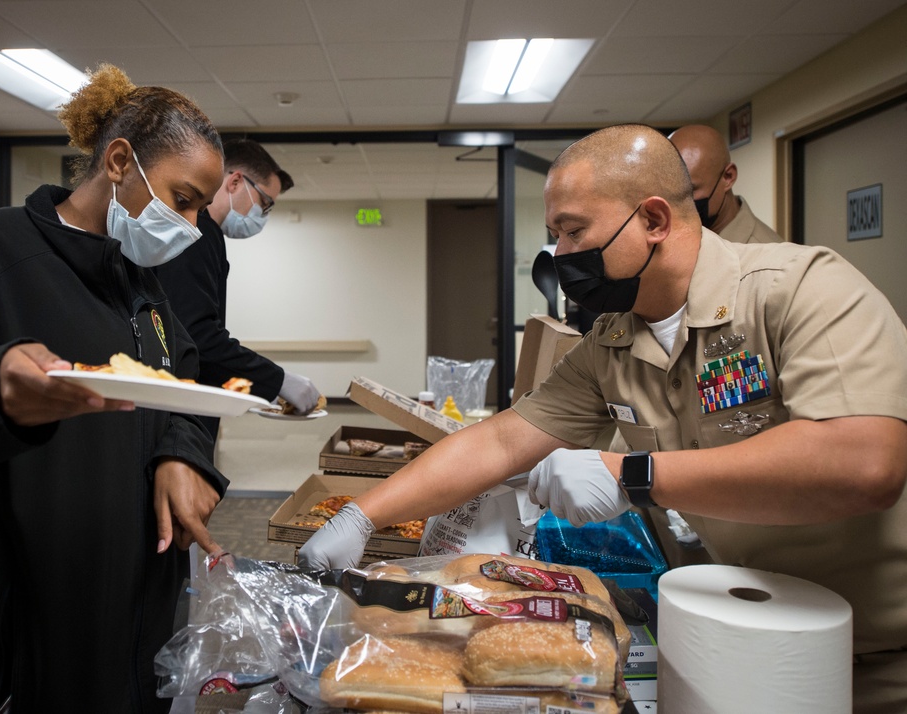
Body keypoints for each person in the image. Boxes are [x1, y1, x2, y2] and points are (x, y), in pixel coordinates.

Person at [298, 124, 907, 713]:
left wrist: (632, 474)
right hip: (735, 629)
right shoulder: (613, 342)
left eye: (573, 231)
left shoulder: (798, 290)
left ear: (654, 220)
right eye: (555, 235)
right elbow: (504, 440)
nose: (560, 255)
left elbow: (864, 463)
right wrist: (363, 516)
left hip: (874, 649)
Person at [0, 64, 230, 713]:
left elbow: (184, 385)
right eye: (183, 199)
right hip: (16, 646)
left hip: (127, 629)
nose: (194, 225)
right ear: (119, 162)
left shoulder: (141, 286)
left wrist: (182, 451)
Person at [154, 138, 321, 439]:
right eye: (265, 203)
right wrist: (278, 380)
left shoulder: (205, 235)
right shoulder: (197, 233)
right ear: (234, 182)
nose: (263, 215)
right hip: (174, 413)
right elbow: (197, 337)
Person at [668, 124, 782, 244]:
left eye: (688, 190)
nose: (673, 201)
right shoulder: (671, 236)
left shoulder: (763, 249)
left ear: (728, 177)